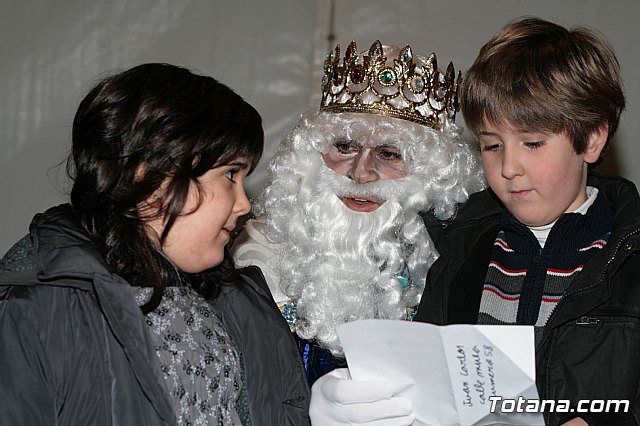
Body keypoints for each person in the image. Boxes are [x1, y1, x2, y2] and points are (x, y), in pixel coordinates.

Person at [0, 63, 310, 425]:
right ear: (148, 176)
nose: (243, 204)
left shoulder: (238, 302)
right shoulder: (40, 309)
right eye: (229, 174)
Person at [231, 39, 485, 420]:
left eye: (389, 154)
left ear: (430, 174)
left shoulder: (450, 265)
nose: (361, 173)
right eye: (345, 146)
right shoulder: (253, 255)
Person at [414, 17, 639, 426]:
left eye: (532, 143)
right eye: (491, 145)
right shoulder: (452, 250)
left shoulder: (630, 260)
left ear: (591, 139)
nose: (508, 167)